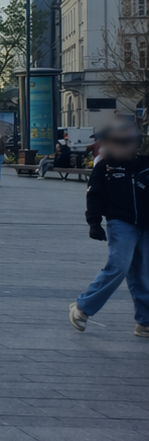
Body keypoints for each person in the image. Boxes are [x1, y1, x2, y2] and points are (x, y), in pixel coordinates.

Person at [72, 118, 149, 338]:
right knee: (119, 266)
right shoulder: (105, 167)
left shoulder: (145, 164)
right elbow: (94, 195)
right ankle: (83, 307)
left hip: (146, 224)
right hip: (121, 222)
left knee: (143, 271)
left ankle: (145, 321)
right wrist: (94, 222)